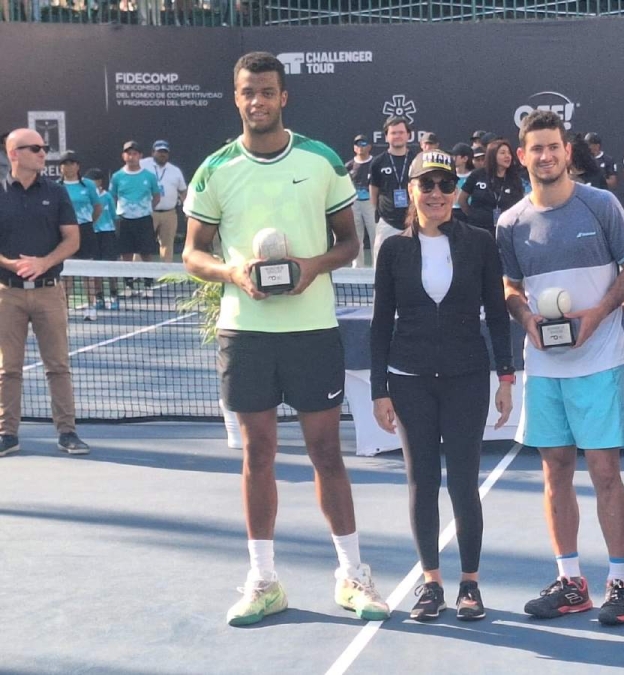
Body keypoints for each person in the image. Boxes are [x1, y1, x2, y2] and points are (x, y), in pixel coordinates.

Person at [182, 51, 390, 627]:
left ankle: (352, 573)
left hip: (312, 331)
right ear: (236, 96)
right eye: (248, 91)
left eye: (268, 91)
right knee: (259, 455)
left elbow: (349, 243)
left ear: (283, 97)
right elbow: (192, 254)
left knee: (327, 453)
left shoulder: (322, 160)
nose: (258, 101)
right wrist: (232, 272)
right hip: (245, 334)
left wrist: (310, 267)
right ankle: (264, 580)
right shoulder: (214, 169)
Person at [497, 110, 624, 627]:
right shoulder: (510, 223)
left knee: (605, 472)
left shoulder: (600, 205)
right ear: (523, 156)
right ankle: (571, 581)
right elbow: (511, 290)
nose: (546, 156)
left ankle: (620, 583)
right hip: (544, 367)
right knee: (555, 469)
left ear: (567, 150)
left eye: (553, 146)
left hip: (600, 361)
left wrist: (597, 314)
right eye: (535, 148)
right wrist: (527, 320)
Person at [370, 150, 514, 622]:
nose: (436, 193)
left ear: (456, 191)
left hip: (467, 378)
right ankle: (430, 582)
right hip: (408, 381)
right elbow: (379, 323)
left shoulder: (480, 244)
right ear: (411, 190)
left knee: (464, 484)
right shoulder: (392, 249)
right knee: (422, 481)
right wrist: (379, 388)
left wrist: (506, 376)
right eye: (426, 185)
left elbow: (496, 312)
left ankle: (469, 584)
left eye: (444, 184)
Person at [0, 128, 91, 457]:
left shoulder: (56, 193)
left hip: (49, 292)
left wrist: (43, 262)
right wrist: (12, 265)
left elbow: (72, 239)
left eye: (44, 147)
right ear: (14, 154)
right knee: (8, 368)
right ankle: (7, 434)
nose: (43, 153)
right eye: (35, 148)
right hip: (7, 294)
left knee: (58, 365)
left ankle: (67, 432)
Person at [110, 141, 160, 296]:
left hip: (144, 220)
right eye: (128, 153)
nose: (131, 157)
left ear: (140, 156)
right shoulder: (117, 177)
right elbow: (112, 197)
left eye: (135, 154)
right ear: (123, 156)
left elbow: (156, 196)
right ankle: (128, 286)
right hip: (124, 220)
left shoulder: (149, 176)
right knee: (126, 254)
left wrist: (145, 209)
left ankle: (148, 286)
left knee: (147, 253)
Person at [58, 150, 102, 320]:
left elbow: (97, 207)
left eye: (71, 163)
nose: (68, 167)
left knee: (87, 271)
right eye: (65, 164)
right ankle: (64, 308)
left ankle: (91, 307)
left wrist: (88, 223)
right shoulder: (56, 186)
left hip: (85, 230)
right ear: (61, 167)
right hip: (63, 233)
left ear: (77, 166)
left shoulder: (89, 185)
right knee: (66, 273)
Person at [369, 115, 415, 264]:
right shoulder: (378, 162)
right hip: (387, 223)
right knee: (382, 265)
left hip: (414, 223)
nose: (397, 136)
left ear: (408, 135)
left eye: (401, 132)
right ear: (386, 136)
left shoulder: (417, 161)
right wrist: (382, 213)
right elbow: (374, 193)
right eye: (393, 133)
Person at [458, 138, 525, 236]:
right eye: (502, 153)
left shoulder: (514, 179)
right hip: (477, 230)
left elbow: (520, 207)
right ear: (493, 155)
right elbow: (462, 200)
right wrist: (474, 216)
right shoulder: (477, 175)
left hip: (504, 232)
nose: (507, 156)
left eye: (509, 153)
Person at [140, 140, 188, 263]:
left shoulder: (175, 170)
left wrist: (187, 210)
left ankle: (166, 273)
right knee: (142, 244)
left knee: (167, 245)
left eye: (165, 152)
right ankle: (137, 274)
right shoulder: (142, 165)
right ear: (153, 152)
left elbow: (183, 191)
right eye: (160, 151)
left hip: (169, 213)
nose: (163, 154)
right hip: (148, 212)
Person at [84, 168, 120, 310]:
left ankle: (114, 296)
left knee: (111, 267)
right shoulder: (86, 196)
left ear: (99, 182)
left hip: (108, 234)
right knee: (95, 268)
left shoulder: (107, 197)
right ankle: (99, 298)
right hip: (92, 234)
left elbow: (114, 216)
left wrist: (114, 234)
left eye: (93, 180)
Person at [345, 134, 375, 268]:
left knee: (375, 235)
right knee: (357, 237)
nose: (360, 147)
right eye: (358, 144)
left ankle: (377, 265)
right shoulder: (349, 166)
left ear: (369, 147)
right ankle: (358, 267)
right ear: (354, 148)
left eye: (363, 144)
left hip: (371, 203)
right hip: (354, 205)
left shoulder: (375, 163)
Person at [450, 142, 474, 221]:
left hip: (467, 214)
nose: (452, 158)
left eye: (455, 156)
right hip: (451, 212)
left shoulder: (474, 176)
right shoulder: (448, 175)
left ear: (465, 159)